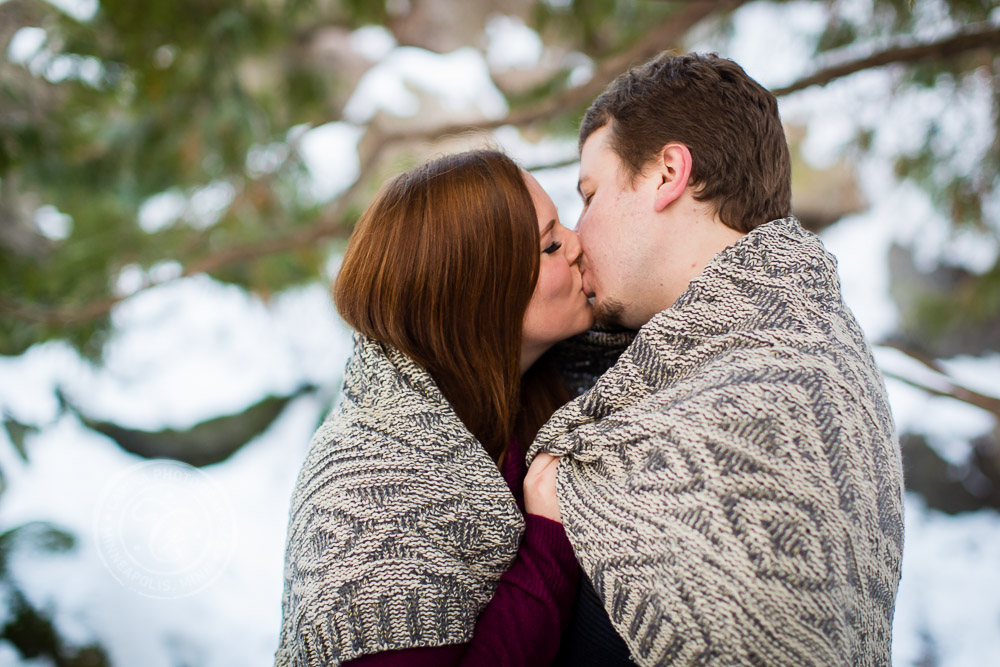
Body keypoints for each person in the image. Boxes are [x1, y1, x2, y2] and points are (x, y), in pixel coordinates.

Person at [530, 52, 906, 667]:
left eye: (590, 195)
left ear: (668, 174)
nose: (576, 235)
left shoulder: (765, 388)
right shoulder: (815, 345)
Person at [276, 149, 598, 666]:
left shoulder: (516, 400)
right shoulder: (367, 497)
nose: (579, 244)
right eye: (551, 244)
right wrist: (547, 543)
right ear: (479, 294)